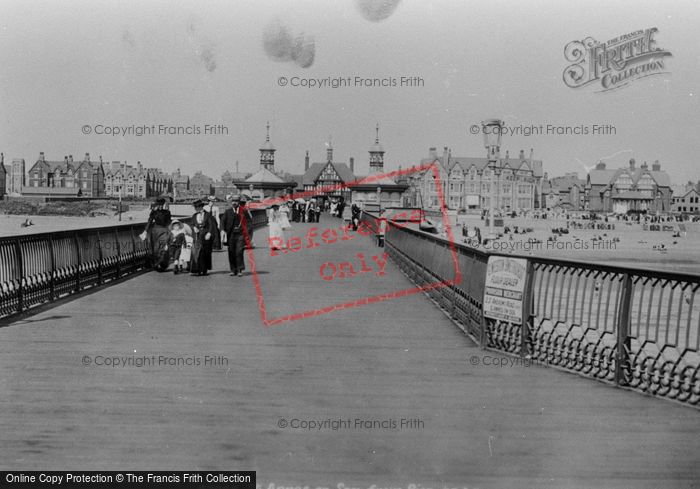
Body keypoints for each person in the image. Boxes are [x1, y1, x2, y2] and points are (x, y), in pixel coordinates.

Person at [221, 195, 247, 277]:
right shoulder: (227, 212)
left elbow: (249, 223)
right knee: (231, 251)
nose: (234, 203)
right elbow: (222, 222)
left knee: (239, 251)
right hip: (230, 234)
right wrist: (222, 230)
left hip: (240, 234)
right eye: (233, 201)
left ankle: (240, 269)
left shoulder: (244, 211)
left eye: (236, 201)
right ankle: (233, 269)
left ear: (239, 202)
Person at [144, 197, 172, 272]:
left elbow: (169, 222)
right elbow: (149, 221)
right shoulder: (154, 212)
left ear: (163, 205)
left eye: (161, 204)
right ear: (157, 204)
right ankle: (156, 264)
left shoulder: (167, 212)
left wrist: (170, 231)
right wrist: (145, 231)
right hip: (155, 231)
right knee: (154, 248)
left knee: (162, 247)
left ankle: (162, 264)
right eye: (159, 204)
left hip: (163, 231)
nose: (160, 206)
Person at [190, 199, 216, 276]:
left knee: (205, 253)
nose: (196, 209)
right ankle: (197, 269)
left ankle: (204, 269)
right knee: (198, 253)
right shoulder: (194, 216)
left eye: (197, 207)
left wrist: (209, 233)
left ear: (201, 207)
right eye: (195, 207)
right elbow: (192, 224)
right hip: (197, 236)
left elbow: (211, 225)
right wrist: (194, 227)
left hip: (205, 236)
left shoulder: (208, 215)